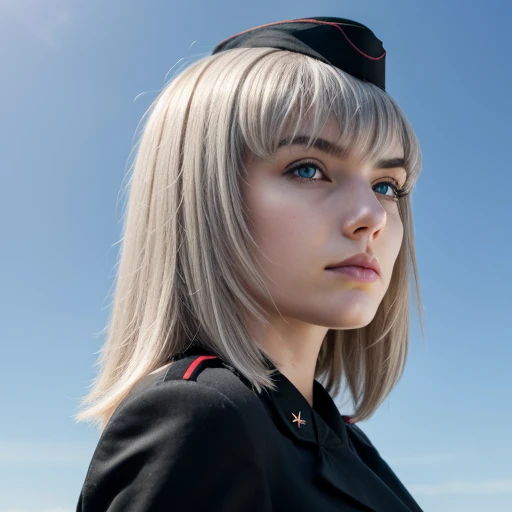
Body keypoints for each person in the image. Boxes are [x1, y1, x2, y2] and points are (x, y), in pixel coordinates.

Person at [74, 16, 425, 512]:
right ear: (205, 195)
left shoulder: (349, 444)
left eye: (386, 185)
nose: (372, 216)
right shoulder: (199, 420)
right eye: (309, 169)